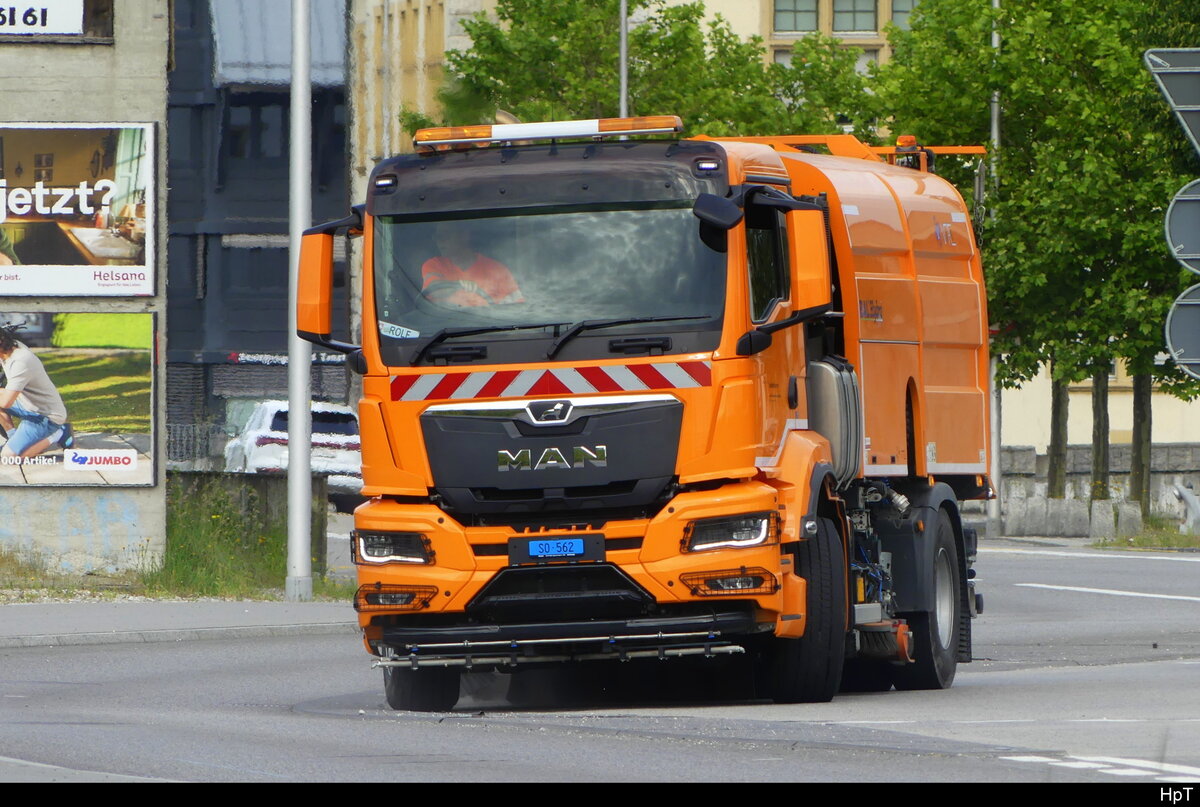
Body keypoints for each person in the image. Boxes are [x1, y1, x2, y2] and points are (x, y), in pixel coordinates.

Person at [0, 324, 73, 459]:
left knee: (10, 457)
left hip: (46, 416)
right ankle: (13, 438)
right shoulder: (8, 348)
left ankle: (58, 434)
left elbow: (5, 403)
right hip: (27, 404)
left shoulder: (20, 362)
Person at [420, 219, 523, 307]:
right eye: (437, 237)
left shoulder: (497, 270)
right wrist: (458, 285)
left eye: (445, 235)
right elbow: (435, 290)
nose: (440, 241)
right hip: (442, 322)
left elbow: (516, 308)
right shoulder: (434, 265)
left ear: (464, 236)